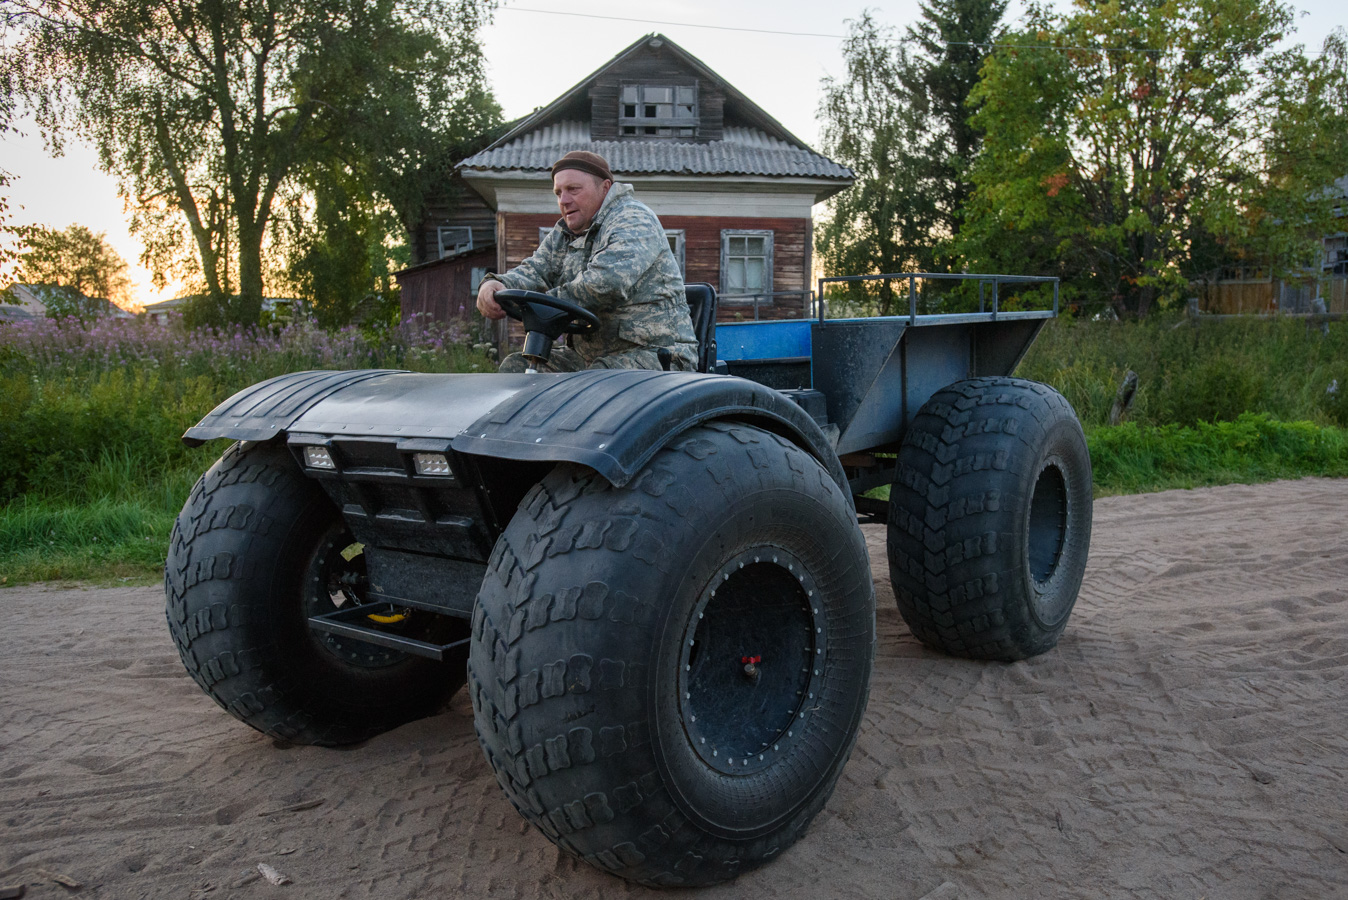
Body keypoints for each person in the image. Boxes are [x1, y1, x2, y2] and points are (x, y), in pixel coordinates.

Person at [476, 151, 698, 372]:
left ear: (605, 187)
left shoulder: (634, 219)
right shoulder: (563, 234)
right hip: (591, 359)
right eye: (558, 192)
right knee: (516, 367)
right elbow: (535, 271)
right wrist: (496, 284)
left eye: (573, 189)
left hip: (659, 356)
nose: (564, 200)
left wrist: (541, 303)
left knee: (592, 384)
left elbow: (607, 283)